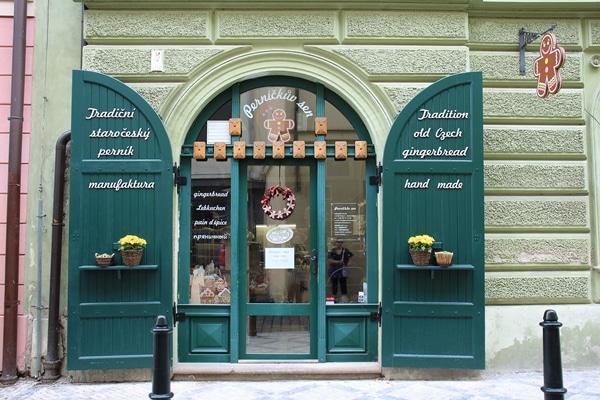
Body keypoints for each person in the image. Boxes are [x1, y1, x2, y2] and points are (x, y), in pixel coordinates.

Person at [328, 239, 354, 303]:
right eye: (338, 242)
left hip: (342, 270)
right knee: (334, 284)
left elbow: (352, 256)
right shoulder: (332, 251)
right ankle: (335, 297)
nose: (339, 244)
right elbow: (330, 260)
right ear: (335, 243)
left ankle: (344, 297)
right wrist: (338, 262)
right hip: (335, 270)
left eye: (341, 242)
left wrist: (349, 262)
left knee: (343, 283)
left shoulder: (345, 251)